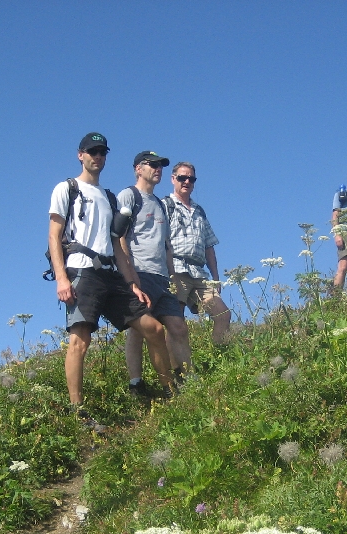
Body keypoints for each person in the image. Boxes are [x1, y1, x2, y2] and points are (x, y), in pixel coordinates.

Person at [47, 133, 175, 421]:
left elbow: (118, 244)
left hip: (111, 274)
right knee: (80, 340)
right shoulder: (67, 188)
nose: (98, 157)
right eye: (92, 151)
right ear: (80, 154)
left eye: (102, 152)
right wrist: (61, 278)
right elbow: (54, 235)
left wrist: (131, 283)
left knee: (153, 329)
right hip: (81, 270)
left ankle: (171, 394)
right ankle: (77, 411)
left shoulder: (108, 197)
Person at [118, 151, 193, 394]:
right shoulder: (129, 196)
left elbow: (166, 246)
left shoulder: (160, 204)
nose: (157, 169)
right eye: (152, 165)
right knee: (140, 330)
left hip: (162, 278)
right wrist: (131, 277)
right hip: (140, 272)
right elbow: (119, 238)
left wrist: (174, 278)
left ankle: (186, 381)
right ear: (138, 169)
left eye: (160, 165)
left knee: (178, 327)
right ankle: (136, 383)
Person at [163, 162, 231, 346]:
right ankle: (177, 369)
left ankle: (217, 358)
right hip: (176, 268)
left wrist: (216, 277)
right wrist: (167, 273)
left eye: (191, 179)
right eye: (182, 178)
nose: (187, 182)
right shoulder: (165, 206)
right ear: (173, 179)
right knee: (175, 322)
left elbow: (209, 246)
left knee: (223, 315)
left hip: (200, 273)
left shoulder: (199, 211)